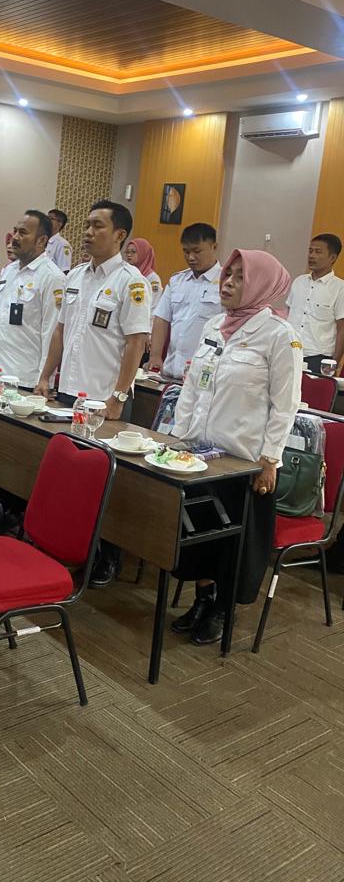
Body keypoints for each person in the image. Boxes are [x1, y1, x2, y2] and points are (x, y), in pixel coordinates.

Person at [169, 249, 302, 644]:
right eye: (228, 274)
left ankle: (223, 610)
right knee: (201, 535)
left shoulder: (280, 335)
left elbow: (286, 404)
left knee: (232, 544)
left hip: (244, 461)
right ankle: (203, 599)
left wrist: (269, 460)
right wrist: (178, 439)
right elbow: (193, 387)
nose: (227, 282)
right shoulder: (214, 325)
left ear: (261, 284)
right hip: (201, 455)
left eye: (240, 277)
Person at [34, 201, 150, 588]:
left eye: (97, 226)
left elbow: (136, 343)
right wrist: (45, 376)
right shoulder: (76, 275)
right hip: (70, 393)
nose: (87, 232)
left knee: (106, 481)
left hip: (104, 402)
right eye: (86, 224)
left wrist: (119, 396)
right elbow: (60, 331)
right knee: (70, 475)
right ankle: (68, 545)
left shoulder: (131, 282)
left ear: (120, 235)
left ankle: (108, 554)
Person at [0, 211, 64, 389]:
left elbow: (52, 334)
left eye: (23, 233)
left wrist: (44, 380)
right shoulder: (9, 270)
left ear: (41, 240)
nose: (14, 237)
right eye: (15, 231)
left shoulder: (52, 277)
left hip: (25, 379)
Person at [148, 222, 221, 379]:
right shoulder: (177, 281)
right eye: (186, 252)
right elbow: (161, 319)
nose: (191, 257)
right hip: (170, 370)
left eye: (197, 251)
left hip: (203, 376)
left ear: (214, 247)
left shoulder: (226, 284)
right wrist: (155, 355)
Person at [286, 233, 344, 373]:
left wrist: (334, 362)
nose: (311, 256)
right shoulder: (299, 282)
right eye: (310, 251)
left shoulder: (339, 288)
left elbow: (342, 328)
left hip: (317, 358)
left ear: (332, 258)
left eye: (318, 252)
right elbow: (287, 315)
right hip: (288, 351)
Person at [125, 237, 162, 312]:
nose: (129, 255)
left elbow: (153, 305)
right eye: (127, 252)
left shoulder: (152, 278)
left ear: (143, 253)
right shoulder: (126, 273)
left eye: (133, 252)